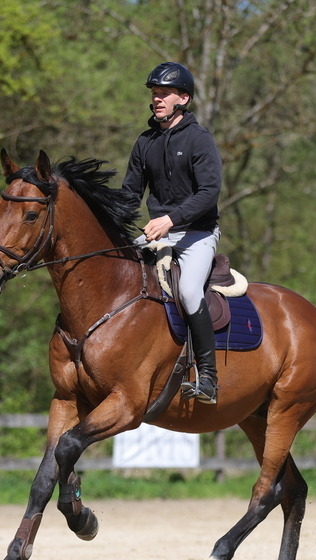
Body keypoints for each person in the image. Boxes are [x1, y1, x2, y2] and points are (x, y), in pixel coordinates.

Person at [121, 61, 223, 404]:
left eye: (163, 94)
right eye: (154, 94)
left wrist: (170, 219)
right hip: (157, 236)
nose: (156, 100)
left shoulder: (198, 139)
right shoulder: (145, 141)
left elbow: (209, 192)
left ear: (184, 98)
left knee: (190, 291)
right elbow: (130, 195)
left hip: (197, 234)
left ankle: (208, 377)